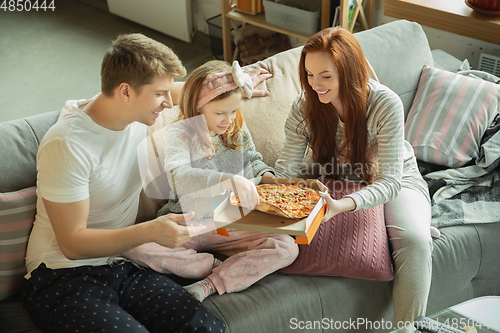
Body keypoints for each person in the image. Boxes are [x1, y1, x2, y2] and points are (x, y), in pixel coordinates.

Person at [22, 33, 227, 333]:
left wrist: (239, 80)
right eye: (160, 94)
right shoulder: (67, 145)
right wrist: (151, 231)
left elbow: (197, 91)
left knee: (205, 328)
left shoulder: (130, 112)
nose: (169, 103)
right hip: (61, 275)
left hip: (122, 263)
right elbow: (72, 244)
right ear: (125, 92)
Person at [274, 27, 437, 332]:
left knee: (415, 242)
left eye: (325, 76)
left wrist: (341, 206)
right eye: (309, 74)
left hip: (393, 180)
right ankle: (405, 222)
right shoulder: (305, 106)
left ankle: (407, 329)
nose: (315, 85)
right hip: (338, 181)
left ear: (348, 72)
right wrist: (270, 185)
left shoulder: (384, 104)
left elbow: (390, 182)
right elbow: (287, 168)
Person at [122, 60, 299, 303]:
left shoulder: (235, 127)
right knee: (133, 245)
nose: (227, 120)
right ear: (198, 106)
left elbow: (254, 162)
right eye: (219, 113)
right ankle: (210, 265)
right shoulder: (180, 133)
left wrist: (270, 179)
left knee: (287, 248)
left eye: (233, 111)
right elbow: (178, 176)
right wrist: (228, 180)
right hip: (192, 221)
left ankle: (210, 284)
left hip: (238, 222)